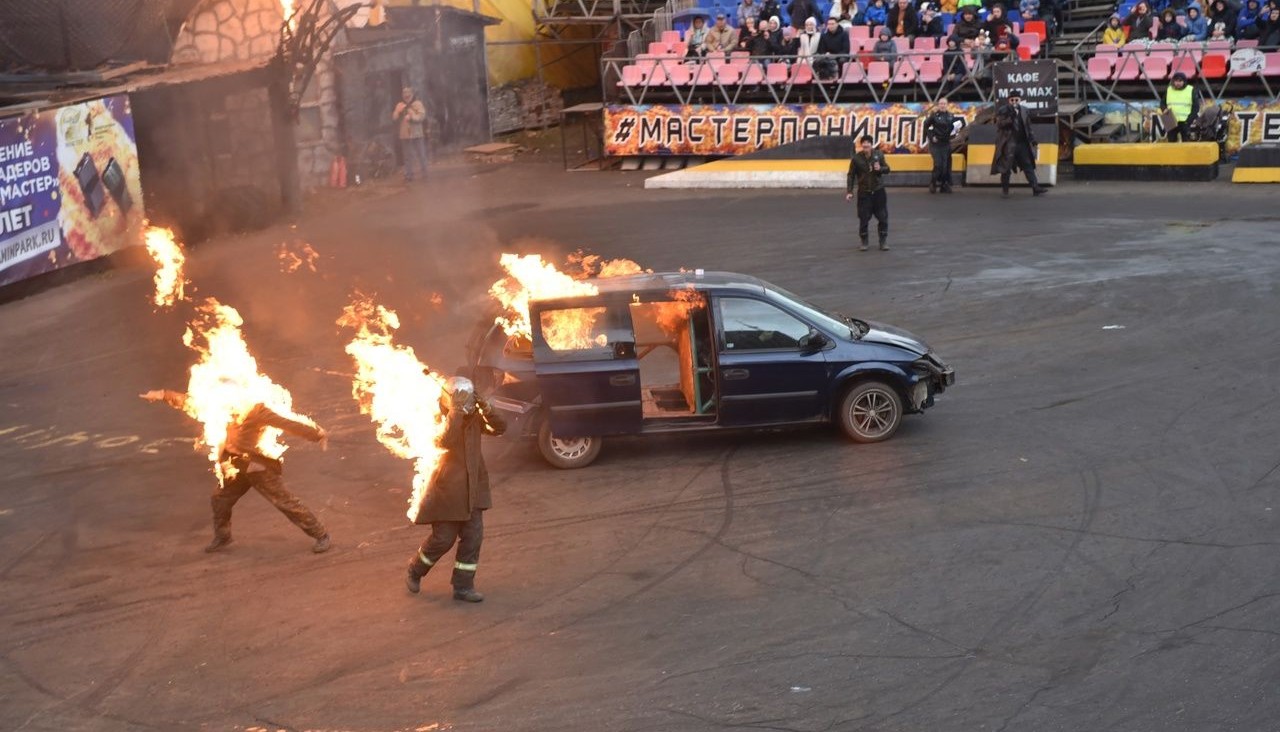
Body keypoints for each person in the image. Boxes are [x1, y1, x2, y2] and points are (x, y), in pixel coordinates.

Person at [141, 388, 331, 554]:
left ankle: (321, 535)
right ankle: (223, 537)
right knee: (220, 499)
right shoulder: (221, 408)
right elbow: (190, 403)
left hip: (257, 468)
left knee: (284, 502)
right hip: (234, 467)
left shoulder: (257, 411)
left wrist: (316, 434)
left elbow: (287, 423)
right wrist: (163, 395)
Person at [405, 376, 507, 603]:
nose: (467, 403)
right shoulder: (433, 417)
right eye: (462, 399)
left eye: (469, 399)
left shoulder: (474, 418)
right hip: (447, 492)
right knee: (443, 539)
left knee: (473, 538)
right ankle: (415, 569)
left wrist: (487, 407)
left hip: (473, 489)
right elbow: (444, 442)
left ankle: (463, 587)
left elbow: (501, 427)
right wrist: (455, 412)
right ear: (450, 399)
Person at [991, 92, 1048, 197]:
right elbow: (999, 124)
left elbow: (1028, 127)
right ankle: (1005, 190)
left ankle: (1035, 187)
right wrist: (1010, 118)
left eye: (1016, 100)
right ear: (1009, 101)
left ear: (1020, 100)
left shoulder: (1024, 110)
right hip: (1008, 143)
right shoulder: (1003, 110)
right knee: (1006, 168)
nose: (1014, 102)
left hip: (1022, 143)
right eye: (1012, 100)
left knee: (1028, 166)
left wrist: (1032, 139)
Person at [845, 135, 892, 251]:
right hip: (864, 193)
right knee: (863, 218)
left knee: (883, 217)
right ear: (862, 145)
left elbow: (887, 169)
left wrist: (879, 168)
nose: (866, 145)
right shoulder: (856, 158)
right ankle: (864, 241)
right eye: (864, 143)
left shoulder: (879, 155)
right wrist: (849, 191)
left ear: (871, 145)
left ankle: (883, 241)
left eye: (868, 143)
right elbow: (851, 175)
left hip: (878, 192)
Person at [392, 87, 428, 183]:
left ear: (412, 94)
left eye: (408, 93)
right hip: (405, 135)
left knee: (421, 154)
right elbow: (394, 118)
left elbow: (422, 116)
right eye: (404, 93)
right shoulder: (400, 105)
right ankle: (409, 175)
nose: (406, 95)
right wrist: (397, 112)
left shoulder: (417, 104)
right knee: (407, 156)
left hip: (417, 134)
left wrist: (412, 116)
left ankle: (425, 172)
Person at [923, 99, 958, 193]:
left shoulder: (951, 116)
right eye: (941, 104)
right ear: (938, 105)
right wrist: (931, 137)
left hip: (946, 144)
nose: (942, 105)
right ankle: (933, 183)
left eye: (944, 104)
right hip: (936, 144)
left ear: (947, 105)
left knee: (945, 166)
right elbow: (926, 126)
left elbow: (953, 129)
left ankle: (944, 184)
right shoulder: (934, 116)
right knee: (938, 164)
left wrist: (955, 133)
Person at [1162, 71, 1200, 141]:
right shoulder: (1169, 90)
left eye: (1180, 81)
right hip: (1170, 120)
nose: (1178, 83)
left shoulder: (1190, 90)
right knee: (1171, 144)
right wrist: (1164, 109)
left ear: (1184, 81)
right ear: (1173, 81)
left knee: (1186, 144)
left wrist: (1189, 120)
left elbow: (1196, 107)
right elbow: (1162, 103)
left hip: (1185, 121)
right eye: (1176, 81)